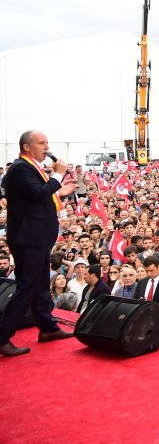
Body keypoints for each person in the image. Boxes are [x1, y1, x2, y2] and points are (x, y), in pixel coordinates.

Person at [0, 130, 78, 356]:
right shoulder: (21, 168)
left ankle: (48, 328)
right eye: (41, 143)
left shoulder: (31, 168)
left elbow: (40, 198)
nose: (47, 147)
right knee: (27, 287)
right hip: (28, 238)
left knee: (42, 283)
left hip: (37, 236)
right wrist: (57, 176)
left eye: (47, 143)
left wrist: (59, 191)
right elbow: (37, 193)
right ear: (27, 147)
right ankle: (3, 336)